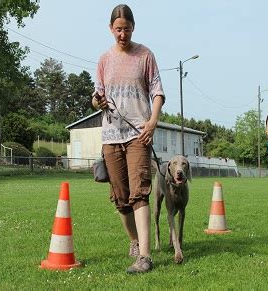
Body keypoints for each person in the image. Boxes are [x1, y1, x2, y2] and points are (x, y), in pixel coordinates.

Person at [92, 4, 165, 273]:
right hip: (111, 135)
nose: (123, 34)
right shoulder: (104, 59)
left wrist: (152, 121)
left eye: (127, 29)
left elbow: (157, 91)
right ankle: (135, 241)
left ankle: (144, 257)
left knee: (139, 194)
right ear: (111, 29)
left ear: (134, 28)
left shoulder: (145, 55)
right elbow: (97, 95)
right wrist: (96, 101)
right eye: (118, 29)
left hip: (138, 134)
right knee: (121, 198)